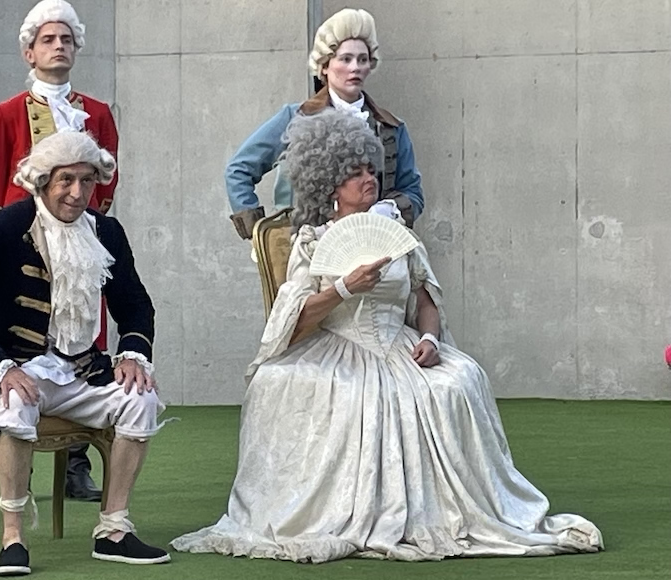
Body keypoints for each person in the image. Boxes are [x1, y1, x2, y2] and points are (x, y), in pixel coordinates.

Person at [171, 110, 603, 562]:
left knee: (461, 379)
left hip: (399, 344)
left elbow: (426, 301)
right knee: (289, 383)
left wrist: (430, 340)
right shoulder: (312, 241)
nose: (369, 179)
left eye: (370, 170)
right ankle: (338, 512)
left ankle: (445, 510)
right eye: (355, 173)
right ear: (330, 186)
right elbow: (294, 323)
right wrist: (343, 288)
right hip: (334, 344)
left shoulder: (398, 235)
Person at [0, 132, 170, 576]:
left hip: (85, 371)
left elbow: (135, 304)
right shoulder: (4, 228)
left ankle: (113, 530)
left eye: (87, 181)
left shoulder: (106, 231)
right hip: (18, 366)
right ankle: (13, 539)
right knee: (14, 404)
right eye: (66, 180)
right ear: (43, 180)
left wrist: (132, 354)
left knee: (141, 399)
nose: (77, 192)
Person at [0, 0, 120, 500]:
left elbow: (106, 186)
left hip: (80, 246)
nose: (59, 47)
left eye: (67, 40)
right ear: (29, 52)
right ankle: (19, 459)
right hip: (25, 250)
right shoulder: (4, 114)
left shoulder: (98, 113)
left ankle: (77, 463)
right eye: (48, 40)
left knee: (82, 342)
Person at [227, 8, 423, 240]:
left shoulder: (390, 127)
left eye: (362, 59)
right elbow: (239, 170)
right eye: (345, 59)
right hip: (308, 245)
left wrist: (388, 210)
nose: (355, 67)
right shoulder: (296, 118)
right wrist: (261, 235)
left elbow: (413, 193)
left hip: (374, 244)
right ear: (325, 66)